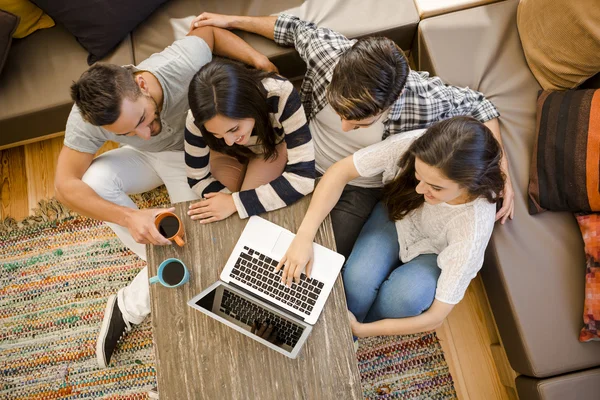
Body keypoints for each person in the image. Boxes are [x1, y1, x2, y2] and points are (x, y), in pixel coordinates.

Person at [189, 12, 515, 261]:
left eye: (357, 124)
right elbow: (290, 27)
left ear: (393, 100)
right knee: (253, 236)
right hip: (299, 153)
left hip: (358, 183)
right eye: (340, 113)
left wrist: (500, 168)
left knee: (322, 258)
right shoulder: (328, 54)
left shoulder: (424, 101)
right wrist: (228, 19)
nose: (344, 127)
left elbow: (478, 103)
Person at [55, 25, 277, 368]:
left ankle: (130, 303)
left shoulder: (181, 62)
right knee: (94, 179)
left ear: (142, 84)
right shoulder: (90, 116)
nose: (144, 132)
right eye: (128, 132)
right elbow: (65, 185)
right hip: (146, 162)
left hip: (193, 157)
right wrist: (129, 217)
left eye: (143, 118)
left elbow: (210, 33)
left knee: (200, 231)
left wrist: (257, 58)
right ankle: (167, 263)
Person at [278, 116, 504, 337]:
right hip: (399, 214)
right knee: (357, 280)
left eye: (435, 187)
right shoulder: (415, 144)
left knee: (402, 300)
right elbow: (340, 171)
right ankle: (342, 329)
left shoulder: (473, 227)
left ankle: (356, 332)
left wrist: (362, 330)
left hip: (434, 251)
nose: (419, 189)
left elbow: (436, 317)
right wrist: (304, 237)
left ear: (471, 184)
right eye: (418, 176)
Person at [184, 59, 314, 223]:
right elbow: (197, 177)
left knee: (250, 217)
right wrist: (230, 202)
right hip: (226, 155)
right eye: (216, 134)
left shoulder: (281, 94)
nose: (230, 141)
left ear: (249, 104)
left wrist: (235, 202)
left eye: (234, 129)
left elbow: (303, 178)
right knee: (223, 217)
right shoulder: (196, 119)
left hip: (269, 150)